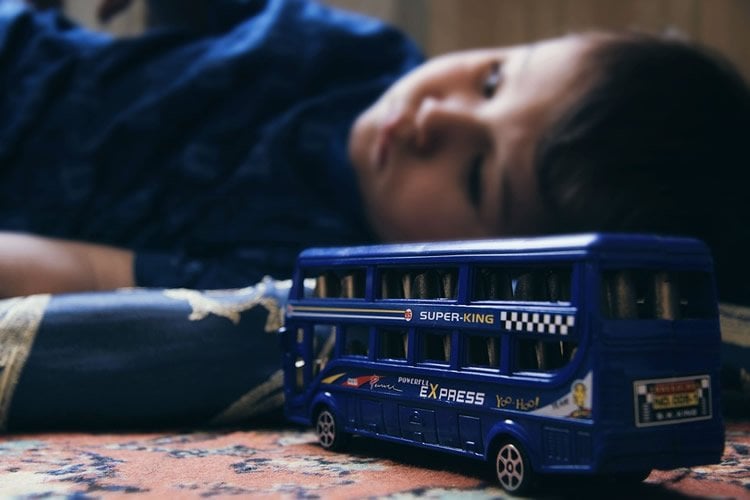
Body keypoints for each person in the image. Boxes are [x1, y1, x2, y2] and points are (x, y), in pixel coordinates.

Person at [1, 0, 749, 305]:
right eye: (492, 80)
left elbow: (85, 273)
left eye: (478, 174)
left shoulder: (311, 273)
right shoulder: (359, 54)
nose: (435, 116)